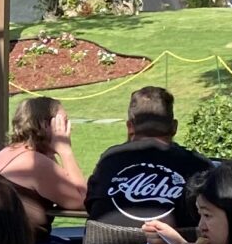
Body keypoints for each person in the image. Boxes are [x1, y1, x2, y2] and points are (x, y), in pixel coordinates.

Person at [83, 85, 214, 231]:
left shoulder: (109, 160)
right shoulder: (198, 166)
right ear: (174, 127)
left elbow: (91, 205)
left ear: (130, 126)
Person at [0, 95, 89, 244]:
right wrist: (66, 151)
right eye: (63, 122)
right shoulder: (34, 163)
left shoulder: (9, 153)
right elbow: (83, 201)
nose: (69, 129)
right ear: (45, 125)